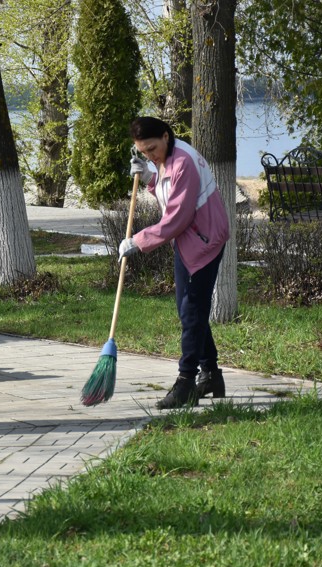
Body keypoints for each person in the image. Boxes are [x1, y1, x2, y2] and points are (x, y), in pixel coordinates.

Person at [120, 116, 230, 409]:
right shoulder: (167, 158)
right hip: (188, 241)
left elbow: (177, 218)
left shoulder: (184, 163)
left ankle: (185, 384)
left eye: (152, 149)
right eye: (143, 152)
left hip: (203, 241)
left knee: (191, 311)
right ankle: (211, 375)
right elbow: (168, 190)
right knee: (189, 310)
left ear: (166, 136)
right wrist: (149, 177)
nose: (150, 156)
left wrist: (138, 241)